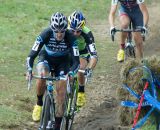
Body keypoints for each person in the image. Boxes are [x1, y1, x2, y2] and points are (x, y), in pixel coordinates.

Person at [26, 12, 80, 130]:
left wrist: (71, 72)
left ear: (66, 29)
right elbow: (31, 55)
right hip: (46, 58)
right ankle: (39, 103)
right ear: (52, 29)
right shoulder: (45, 34)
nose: (59, 34)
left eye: (62, 31)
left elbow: (76, 61)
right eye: (56, 31)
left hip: (63, 62)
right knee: (42, 75)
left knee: (61, 94)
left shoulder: (71, 37)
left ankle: (57, 125)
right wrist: (29, 69)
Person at [68, 11, 98, 107]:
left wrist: (89, 69)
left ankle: (81, 92)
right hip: (69, 52)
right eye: (73, 31)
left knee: (81, 69)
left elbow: (94, 55)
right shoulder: (64, 31)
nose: (75, 33)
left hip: (82, 53)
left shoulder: (87, 33)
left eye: (78, 31)